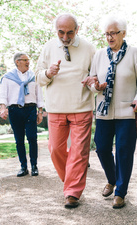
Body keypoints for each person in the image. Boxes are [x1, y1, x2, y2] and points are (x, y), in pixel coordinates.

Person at [83, 15, 137, 208]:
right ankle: (112, 179)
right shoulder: (99, 55)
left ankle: (120, 191)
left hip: (127, 111)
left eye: (113, 33)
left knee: (123, 151)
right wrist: (96, 86)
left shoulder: (134, 53)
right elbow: (92, 82)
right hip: (104, 111)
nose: (110, 37)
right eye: (107, 34)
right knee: (102, 147)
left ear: (124, 33)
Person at [35, 13, 95, 208]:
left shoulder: (88, 48)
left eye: (70, 32)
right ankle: (70, 182)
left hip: (81, 106)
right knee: (55, 149)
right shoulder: (48, 47)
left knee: (79, 152)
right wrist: (48, 73)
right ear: (56, 30)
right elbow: (38, 77)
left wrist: (93, 82)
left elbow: (95, 76)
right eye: (61, 32)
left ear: (77, 30)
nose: (65, 37)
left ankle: (72, 192)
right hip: (56, 107)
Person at [0, 52, 44, 177]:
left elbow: (39, 95)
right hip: (15, 111)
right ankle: (23, 167)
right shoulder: (7, 78)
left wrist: (40, 112)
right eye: (25, 60)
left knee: (32, 138)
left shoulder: (34, 76)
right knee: (19, 140)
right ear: (17, 62)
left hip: (30, 110)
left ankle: (34, 166)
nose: (28, 62)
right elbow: (3, 95)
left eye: (28, 60)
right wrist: (3, 109)